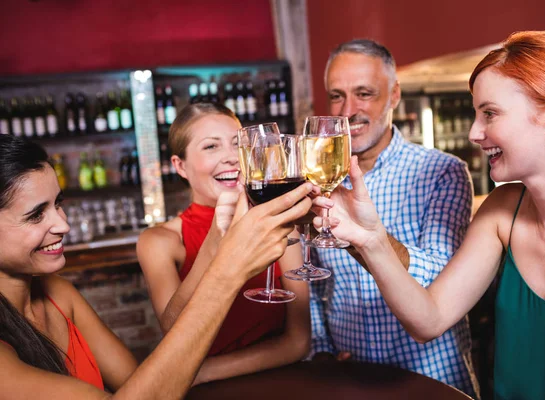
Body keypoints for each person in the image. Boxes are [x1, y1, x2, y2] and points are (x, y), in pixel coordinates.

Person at [313, 31, 545, 400]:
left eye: (490, 114)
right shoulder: (503, 210)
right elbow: (427, 320)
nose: (474, 132)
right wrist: (369, 239)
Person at [0, 134, 313, 398]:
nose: (63, 225)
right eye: (36, 215)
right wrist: (228, 272)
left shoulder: (59, 294)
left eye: (58, 204)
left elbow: (146, 384)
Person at [309, 39, 477, 396]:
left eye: (364, 93)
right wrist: (321, 351)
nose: (348, 110)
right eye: (336, 96)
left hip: (431, 378)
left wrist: (370, 240)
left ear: (394, 95)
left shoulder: (441, 172)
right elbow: (314, 285)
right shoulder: (319, 179)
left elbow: (444, 278)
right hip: (350, 377)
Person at [136, 103, 310, 384]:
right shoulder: (159, 241)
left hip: (282, 383)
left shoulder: (275, 221)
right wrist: (215, 243)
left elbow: (299, 341)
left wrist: (198, 373)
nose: (231, 158)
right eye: (211, 147)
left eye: (237, 144)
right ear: (180, 166)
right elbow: (174, 335)